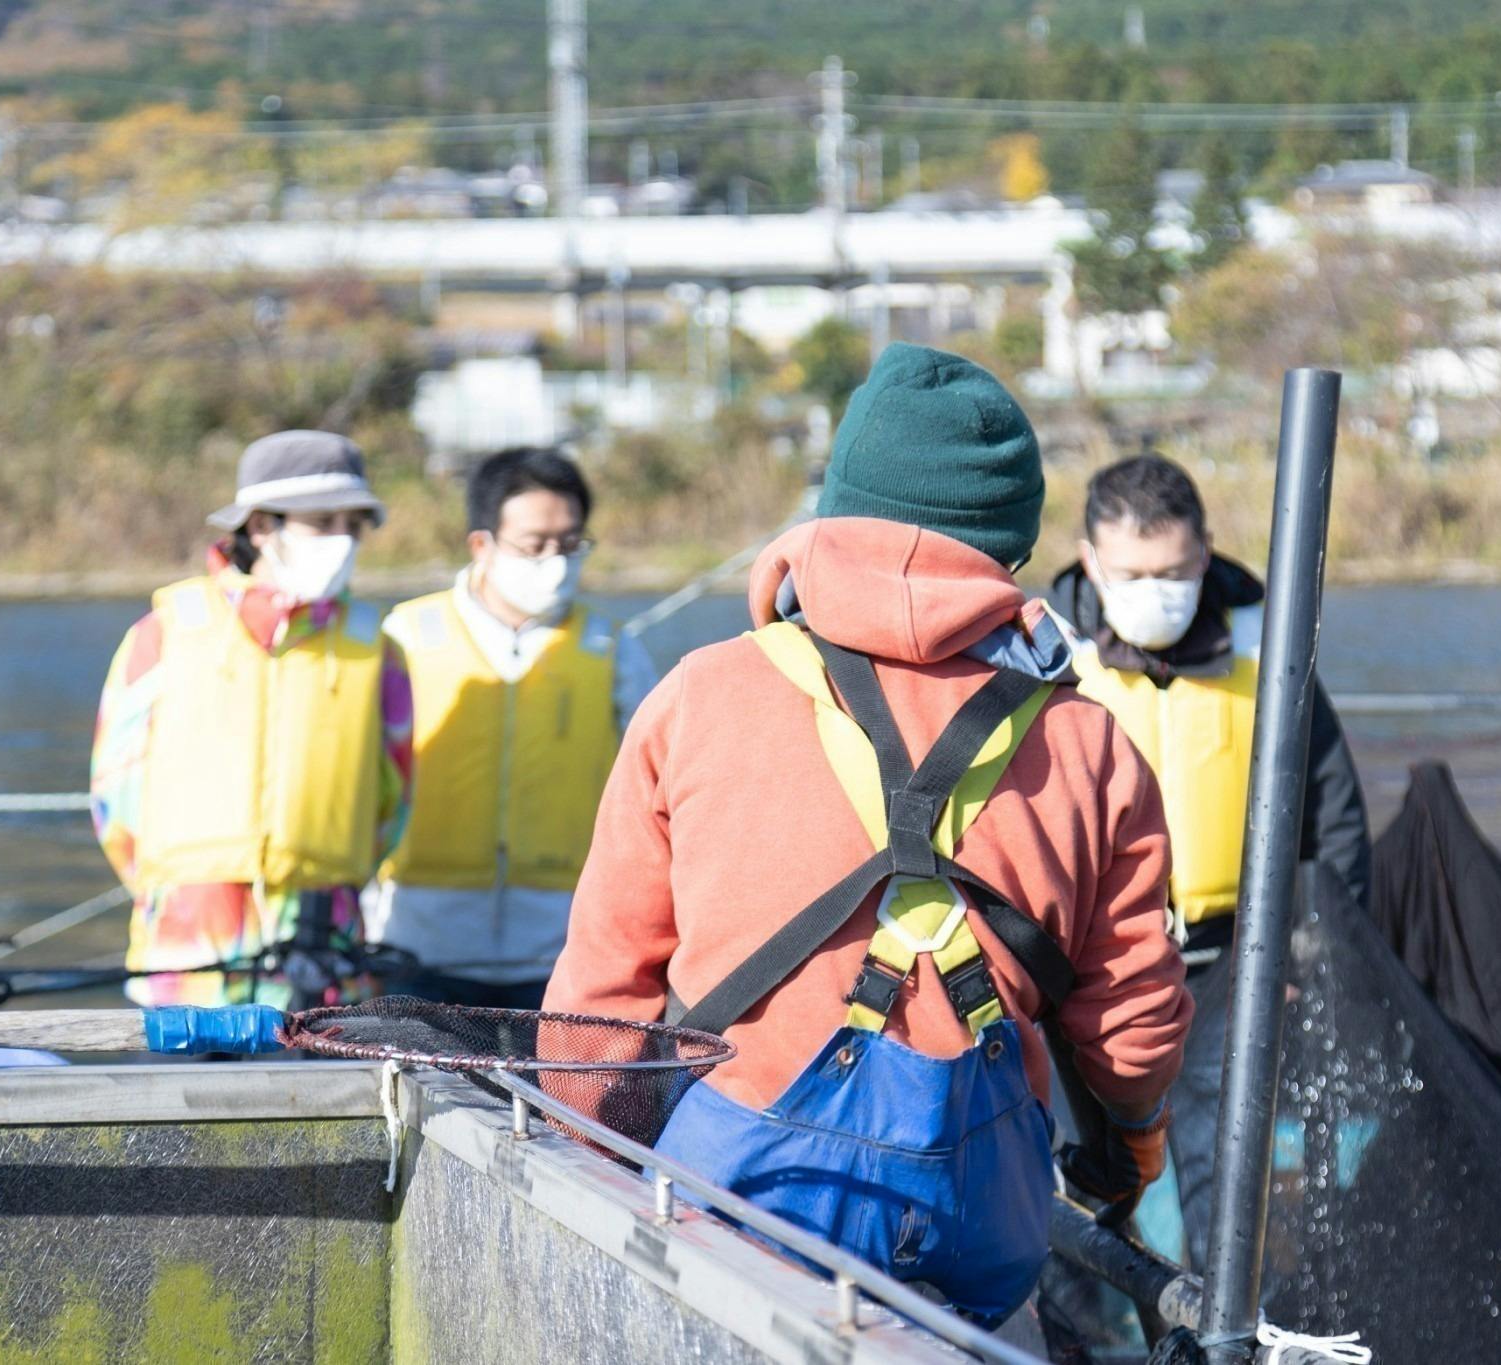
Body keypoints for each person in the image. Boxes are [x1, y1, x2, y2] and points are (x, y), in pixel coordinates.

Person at [545, 344, 1191, 1326]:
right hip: (986, 1216)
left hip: (737, 1201)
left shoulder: (697, 698)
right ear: (1007, 544)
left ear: (833, 513)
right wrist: (1129, 1153)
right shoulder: (1086, 739)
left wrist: (601, 1159)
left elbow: (601, 1002)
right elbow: (1132, 1027)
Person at [1046, 451, 1370, 1270]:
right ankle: (1098, 1335)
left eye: (1177, 569)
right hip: (1095, 965)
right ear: (1090, 561)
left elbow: (1332, 806)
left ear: (1207, 550)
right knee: (1083, 1174)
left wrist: (1318, 942)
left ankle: (1225, 1333)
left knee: (1226, 1178)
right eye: (1133, 572)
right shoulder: (1046, 658)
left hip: (1234, 958)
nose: (1157, 589)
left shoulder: (1270, 644)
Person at [90, 430, 414, 1009]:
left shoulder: (377, 649)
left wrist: (334, 872)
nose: (342, 540)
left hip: (323, 953)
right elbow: (115, 793)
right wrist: (175, 891)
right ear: (260, 527)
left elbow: (394, 797)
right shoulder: (163, 632)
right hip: (185, 957)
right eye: (322, 522)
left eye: (353, 525)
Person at [371, 447, 655, 1009]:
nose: (555, 559)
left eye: (570, 544)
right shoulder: (405, 635)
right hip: (415, 945)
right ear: (484, 544)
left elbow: (656, 792)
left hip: (558, 952)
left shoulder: (614, 649)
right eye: (535, 545)